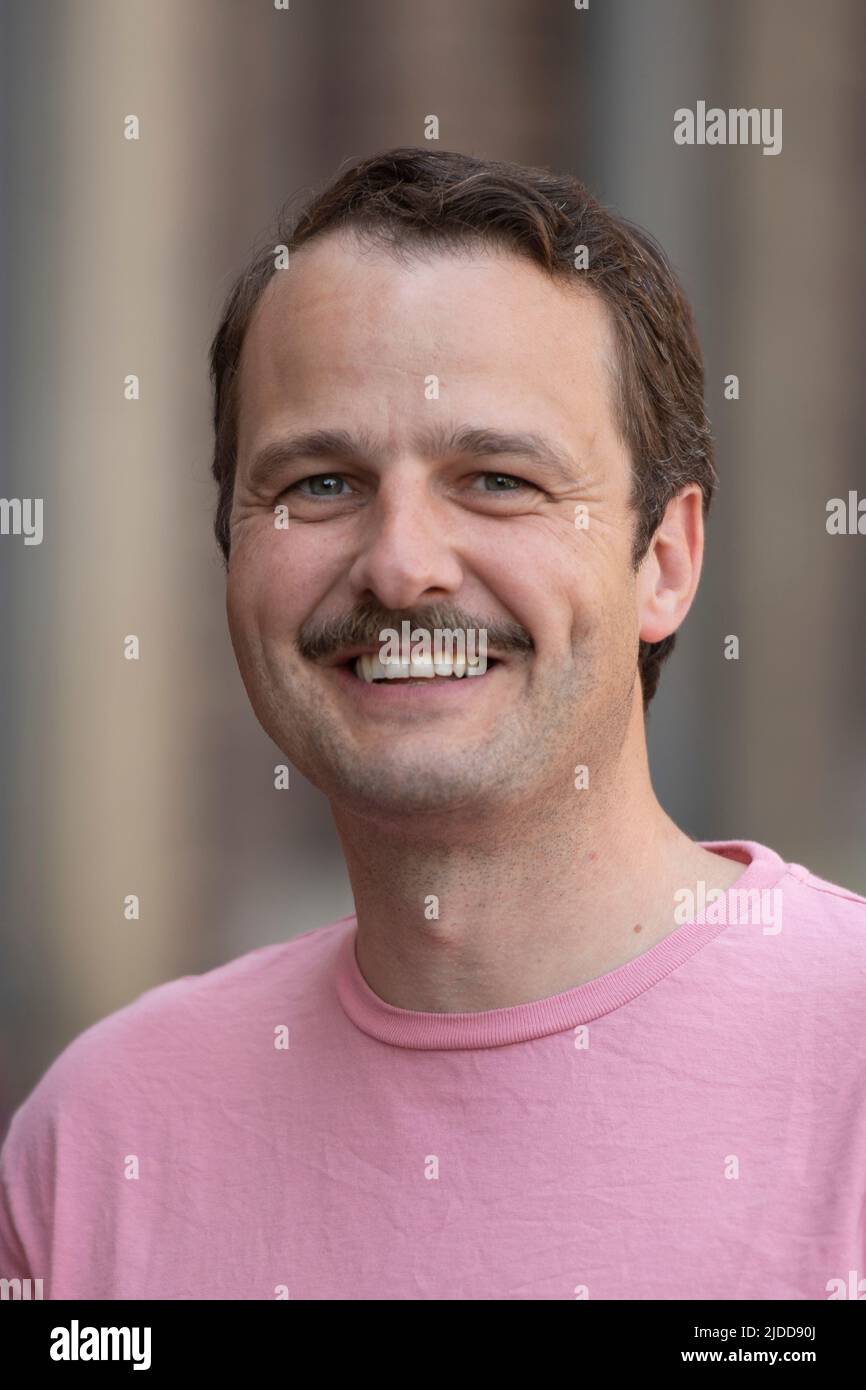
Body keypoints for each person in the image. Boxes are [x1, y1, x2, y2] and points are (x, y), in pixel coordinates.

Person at [1, 148, 864, 1301]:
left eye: (496, 478)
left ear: (662, 561)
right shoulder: (98, 1141)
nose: (401, 565)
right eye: (318, 482)